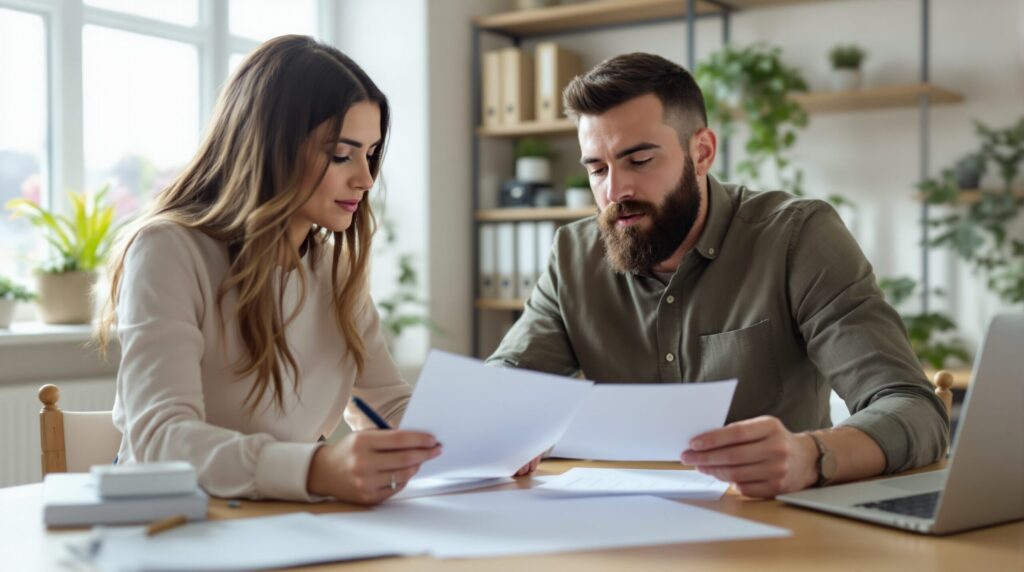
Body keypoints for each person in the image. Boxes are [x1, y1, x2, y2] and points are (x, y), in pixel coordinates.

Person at [487, 52, 949, 498]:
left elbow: (914, 408)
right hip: (619, 530)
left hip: (776, 527)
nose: (615, 191)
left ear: (702, 151)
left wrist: (809, 456)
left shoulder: (796, 238)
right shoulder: (574, 254)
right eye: (597, 169)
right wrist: (503, 430)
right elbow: (502, 388)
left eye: (640, 161)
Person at [97, 35, 440, 506]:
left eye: (371, 153)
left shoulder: (333, 267)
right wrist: (315, 467)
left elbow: (385, 404)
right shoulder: (168, 250)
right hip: (177, 519)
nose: (365, 178)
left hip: (281, 515)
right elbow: (161, 440)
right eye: (342, 154)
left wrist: (484, 444)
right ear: (271, 146)